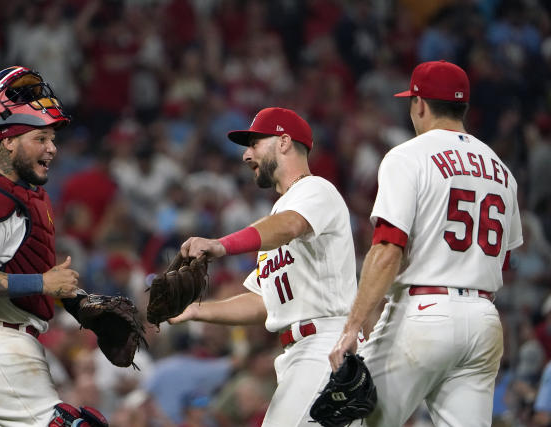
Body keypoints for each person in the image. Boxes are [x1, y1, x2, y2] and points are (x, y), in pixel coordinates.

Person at [329, 60, 524, 426]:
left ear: (419, 104)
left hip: (424, 312)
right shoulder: (501, 169)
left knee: (347, 418)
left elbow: (388, 248)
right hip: (483, 321)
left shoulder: (408, 156)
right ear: (462, 106)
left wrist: (352, 327)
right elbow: (505, 258)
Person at [0, 66, 104, 426]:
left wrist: (76, 302)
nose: (52, 149)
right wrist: (43, 284)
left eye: (53, 139)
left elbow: (17, 273)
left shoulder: (14, 196)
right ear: (7, 140)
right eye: (40, 138)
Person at [170, 107, 358, 426]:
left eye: (255, 143)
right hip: (302, 353)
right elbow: (262, 302)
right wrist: (198, 311)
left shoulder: (315, 190)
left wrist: (221, 244)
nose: (246, 155)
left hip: (325, 345)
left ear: (284, 142)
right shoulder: (277, 214)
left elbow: (291, 225)